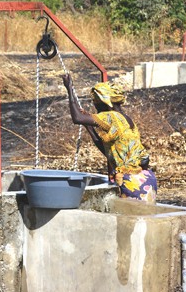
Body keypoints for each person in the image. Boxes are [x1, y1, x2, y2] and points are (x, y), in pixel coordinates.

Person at [62, 74, 157, 202]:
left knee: (127, 219)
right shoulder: (126, 119)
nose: (96, 108)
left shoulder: (111, 116)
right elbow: (108, 151)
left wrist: (69, 89)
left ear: (106, 102)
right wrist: (89, 127)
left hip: (130, 182)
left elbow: (77, 118)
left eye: (97, 104)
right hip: (145, 179)